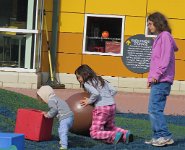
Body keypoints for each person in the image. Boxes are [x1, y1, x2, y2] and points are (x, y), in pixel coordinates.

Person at [75, 64, 133, 144]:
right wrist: (107, 98)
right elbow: (114, 90)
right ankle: (125, 133)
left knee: (94, 133)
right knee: (110, 127)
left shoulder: (87, 83)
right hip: (112, 106)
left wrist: (89, 101)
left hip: (102, 108)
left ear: (84, 74)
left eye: (78, 77)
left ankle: (114, 135)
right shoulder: (100, 79)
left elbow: (95, 93)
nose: (78, 79)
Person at [145, 12, 178, 147]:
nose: (148, 26)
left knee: (155, 109)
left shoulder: (165, 36)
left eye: (150, 23)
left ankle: (165, 136)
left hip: (162, 80)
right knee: (153, 108)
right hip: (158, 79)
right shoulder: (160, 37)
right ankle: (158, 136)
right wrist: (150, 78)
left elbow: (164, 60)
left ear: (158, 23)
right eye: (148, 24)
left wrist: (155, 76)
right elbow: (155, 62)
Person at [37, 85, 74, 150]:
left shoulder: (51, 100)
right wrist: (48, 112)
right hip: (70, 116)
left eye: (42, 99)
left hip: (65, 118)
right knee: (61, 130)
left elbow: (54, 110)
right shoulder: (56, 98)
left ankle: (64, 146)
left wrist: (48, 115)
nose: (44, 102)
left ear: (45, 95)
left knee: (62, 131)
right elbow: (57, 109)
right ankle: (63, 140)